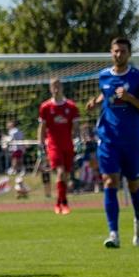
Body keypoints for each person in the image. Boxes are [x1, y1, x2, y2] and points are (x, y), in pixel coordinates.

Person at [86, 36, 139, 248]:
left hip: (132, 140)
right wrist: (95, 102)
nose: (118, 54)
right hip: (108, 139)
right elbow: (105, 94)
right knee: (109, 182)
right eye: (115, 51)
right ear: (111, 52)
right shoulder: (103, 76)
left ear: (129, 54)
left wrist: (130, 98)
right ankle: (113, 233)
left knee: (134, 184)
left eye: (122, 51)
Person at [38, 77, 80, 215]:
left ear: (62, 87)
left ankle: (58, 202)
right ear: (50, 88)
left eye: (58, 85)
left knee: (66, 176)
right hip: (53, 145)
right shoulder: (45, 107)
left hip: (68, 145)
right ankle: (64, 204)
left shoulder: (71, 106)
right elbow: (42, 127)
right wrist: (40, 143)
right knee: (60, 172)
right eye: (53, 86)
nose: (56, 88)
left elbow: (76, 127)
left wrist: (78, 140)